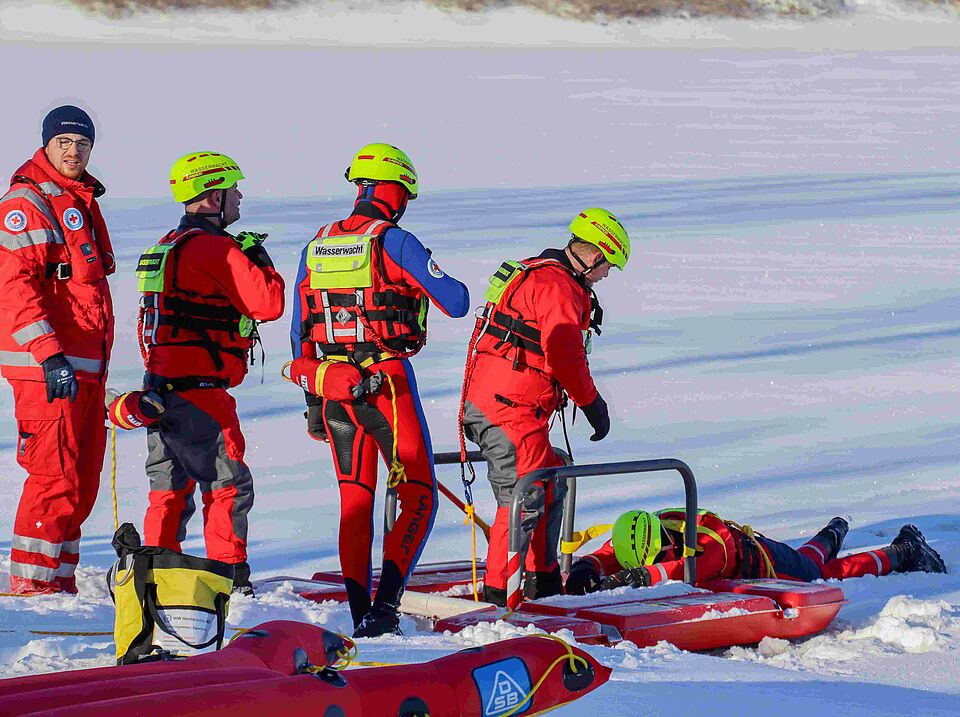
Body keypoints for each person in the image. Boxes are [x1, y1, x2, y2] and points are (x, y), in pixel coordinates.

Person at [289, 143, 469, 638]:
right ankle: (384, 606)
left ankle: (356, 611)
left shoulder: (316, 244)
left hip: (331, 388)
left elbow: (300, 328)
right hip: (386, 383)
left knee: (355, 499)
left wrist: (312, 404)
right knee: (419, 493)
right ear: (398, 192)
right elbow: (455, 302)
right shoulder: (395, 240)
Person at [112, 151, 284, 596]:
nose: (240, 197)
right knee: (228, 485)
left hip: (159, 390)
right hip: (202, 393)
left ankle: (156, 575)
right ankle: (229, 578)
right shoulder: (217, 249)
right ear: (213, 196)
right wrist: (261, 262)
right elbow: (269, 304)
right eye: (233, 189)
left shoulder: (164, 246)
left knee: (168, 490)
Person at [460, 208, 630, 607]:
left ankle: (543, 578)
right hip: (507, 407)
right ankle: (501, 595)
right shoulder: (557, 288)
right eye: (608, 267)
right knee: (524, 492)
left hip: (509, 405)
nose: (606, 276)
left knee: (553, 474)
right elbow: (564, 354)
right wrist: (593, 405)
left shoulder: (544, 275)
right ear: (595, 256)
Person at [0, 105, 115, 594]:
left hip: (84, 366)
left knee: (81, 480)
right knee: (54, 475)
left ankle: (58, 585)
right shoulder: (27, 202)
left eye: (82, 143)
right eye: (64, 142)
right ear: (46, 144)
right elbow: (13, 287)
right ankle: (32, 590)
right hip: (47, 367)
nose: (74, 151)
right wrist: (48, 354)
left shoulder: (79, 199)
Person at [565, 509, 948, 595]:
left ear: (665, 540)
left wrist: (640, 577)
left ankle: (902, 552)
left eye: (653, 558)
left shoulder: (707, 543)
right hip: (758, 553)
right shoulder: (645, 529)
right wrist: (588, 565)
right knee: (814, 558)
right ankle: (835, 528)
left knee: (820, 572)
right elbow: (613, 551)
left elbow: (685, 570)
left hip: (766, 562)